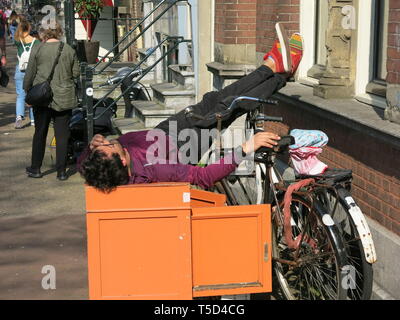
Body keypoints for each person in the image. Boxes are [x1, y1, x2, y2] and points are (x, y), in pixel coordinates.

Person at [79, 24, 304, 193]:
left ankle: (273, 67)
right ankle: (279, 72)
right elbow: (204, 176)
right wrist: (245, 148)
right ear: (124, 161)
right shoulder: (155, 168)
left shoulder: (105, 167)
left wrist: (91, 147)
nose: (109, 141)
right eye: (110, 147)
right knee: (230, 107)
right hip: (185, 144)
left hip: (166, 131)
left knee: (218, 97)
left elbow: (83, 165)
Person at [24, 22, 80, 181]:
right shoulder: (68, 49)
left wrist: (27, 90)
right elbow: (76, 73)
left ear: (43, 33)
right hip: (64, 96)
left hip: (42, 98)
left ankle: (36, 168)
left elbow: (30, 73)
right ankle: (61, 172)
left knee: (40, 132)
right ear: (59, 32)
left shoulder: (38, 48)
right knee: (62, 135)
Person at [14, 16, 39, 129]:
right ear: (29, 28)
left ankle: (19, 117)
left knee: (20, 95)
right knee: (32, 95)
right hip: (32, 71)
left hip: (20, 70)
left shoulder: (18, 41)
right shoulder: (36, 42)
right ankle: (33, 120)